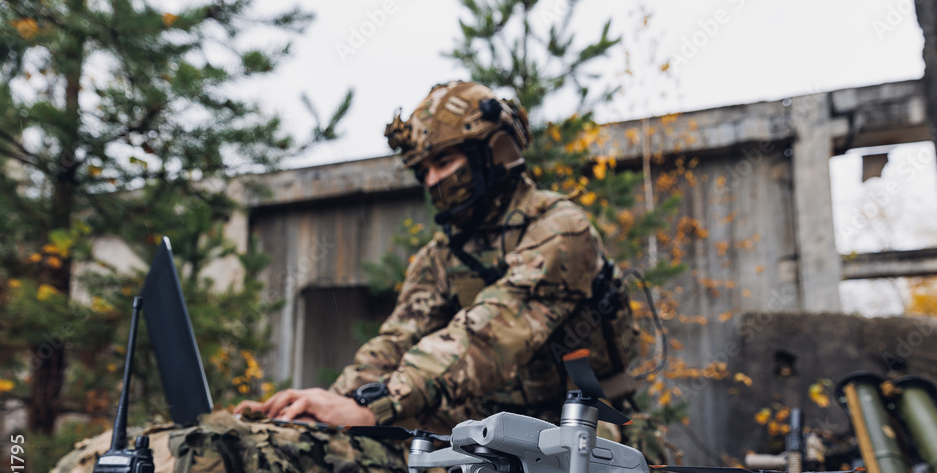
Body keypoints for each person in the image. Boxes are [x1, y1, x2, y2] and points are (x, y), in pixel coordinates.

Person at [236, 80, 638, 433]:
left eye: (443, 162)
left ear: (493, 153)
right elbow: (397, 341)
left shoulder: (561, 229)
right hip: (488, 425)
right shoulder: (443, 254)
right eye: (423, 170)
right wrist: (324, 408)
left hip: (584, 424)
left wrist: (379, 406)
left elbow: (489, 334)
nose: (432, 181)